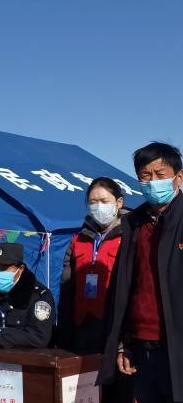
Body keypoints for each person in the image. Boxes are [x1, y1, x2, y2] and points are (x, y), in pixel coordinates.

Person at [97, 142, 183, 403]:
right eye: (145, 176)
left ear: (179, 177)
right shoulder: (134, 223)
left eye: (160, 174)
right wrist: (124, 342)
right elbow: (124, 286)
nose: (153, 182)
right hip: (143, 346)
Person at [57, 177, 126, 354]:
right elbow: (67, 287)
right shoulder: (79, 239)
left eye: (104, 201)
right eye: (93, 202)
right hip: (82, 323)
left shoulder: (129, 237)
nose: (99, 207)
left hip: (114, 326)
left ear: (118, 203)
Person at [0, 242, 54, 349]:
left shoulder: (38, 296)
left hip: (25, 358)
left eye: (5, 267)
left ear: (20, 269)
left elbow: (39, 337)